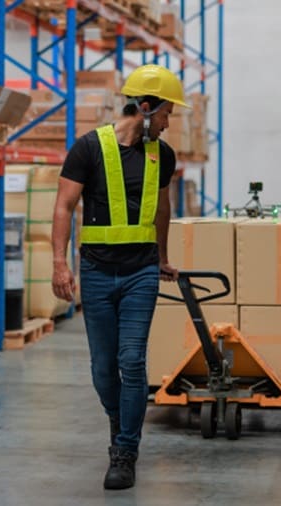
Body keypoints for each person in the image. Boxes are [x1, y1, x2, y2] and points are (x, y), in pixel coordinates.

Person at [50, 64, 187, 490]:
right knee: (103, 368)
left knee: (132, 359)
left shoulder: (162, 156)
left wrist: (162, 257)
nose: (167, 124)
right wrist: (59, 263)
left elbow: (162, 208)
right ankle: (120, 419)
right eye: (165, 114)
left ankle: (125, 450)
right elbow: (63, 206)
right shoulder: (88, 148)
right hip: (95, 272)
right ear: (145, 108)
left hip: (140, 273)